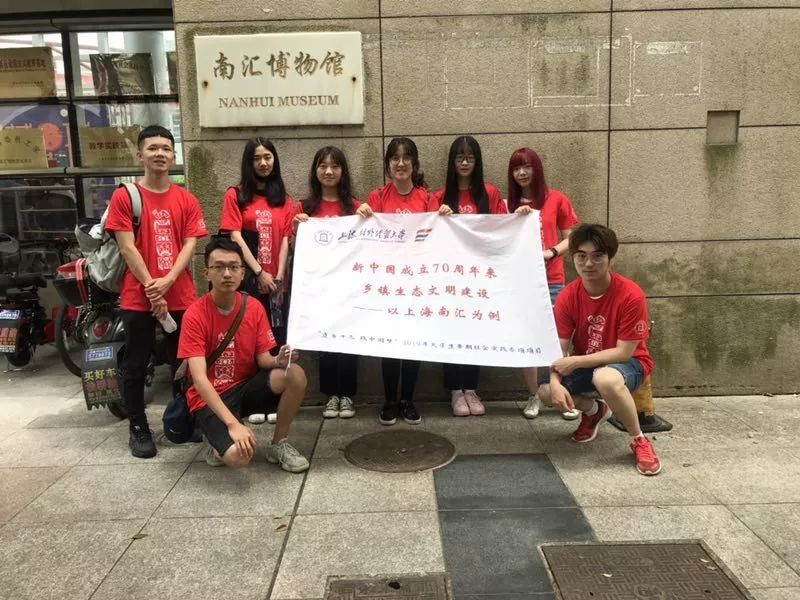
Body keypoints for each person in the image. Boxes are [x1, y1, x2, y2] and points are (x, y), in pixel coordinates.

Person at [105, 125, 207, 459]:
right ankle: (138, 428)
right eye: (152, 148)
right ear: (140, 155)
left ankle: (181, 420)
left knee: (184, 363)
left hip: (180, 296)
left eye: (165, 148)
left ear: (174, 155)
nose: (159, 153)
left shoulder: (186, 199)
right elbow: (127, 247)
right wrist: (153, 287)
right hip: (138, 298)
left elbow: (190, 244)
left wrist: (169, 280)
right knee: (136, 363)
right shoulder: (125, 196)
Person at [534, 224, 661, 476]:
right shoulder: (568, 296)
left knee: (605, 378)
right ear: (573, 258)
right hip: (586, 363)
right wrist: (555, 381)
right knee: (545, 391)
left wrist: (575, 362)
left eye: (597, 256)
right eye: (581, 256)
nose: (588, 263)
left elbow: (623, 353)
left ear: (610, 257)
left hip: (630, 364)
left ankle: (639, 440)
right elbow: (559, 347)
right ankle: (595, 411)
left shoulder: (631, 294)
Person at [177, 236, 309, 472]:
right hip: (209, 396)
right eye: (219, 267)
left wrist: (278, 360)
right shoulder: (194, 315)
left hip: (244, 388)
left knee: (294, 373)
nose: (227, 274)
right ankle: (216, 439)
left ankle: (279, 444)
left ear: (242, 273)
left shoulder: (253, 307)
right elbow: (199, 379)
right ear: (207, 273)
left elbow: (263, 359)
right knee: (239, 457)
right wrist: (232, 424)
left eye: (233, 267)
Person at [357, 137, 437, 426]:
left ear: (414, 164)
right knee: (389, 343)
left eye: (406, 158)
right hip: (387, 283)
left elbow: (438, 237)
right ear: (388, 164)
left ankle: (408, 400)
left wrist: (445, 217)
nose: (401, 164)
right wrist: (361, 217)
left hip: (417, 283)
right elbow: (366, 238)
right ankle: (390, 400)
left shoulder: (427, 199)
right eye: (395, 158)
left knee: (413, 342)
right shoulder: (377, 197)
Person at [432, 135, 508, 417]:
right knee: (452, 331)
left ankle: (471, 388)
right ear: (452, 162)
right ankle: (455, 389)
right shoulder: (439, 197)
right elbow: (427, 235)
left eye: (470, 158)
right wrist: (438, 218)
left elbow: (504, 228)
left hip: (480, 278)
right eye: (459, 158)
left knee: (476, 330)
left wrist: (521, 217)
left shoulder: (490, 194)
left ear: (477, 162)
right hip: (450, 279)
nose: (464, 163)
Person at [507, 147, 580, 421]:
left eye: (527, 166)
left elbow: (572, 238)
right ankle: (535, 394)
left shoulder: (557, 199)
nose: (522, 173)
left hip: (553, 280)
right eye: (516, 168)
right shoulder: (507, 205)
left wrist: (550, 252)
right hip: (520, 283)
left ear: (537, 168)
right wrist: (516, 217)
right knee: (527, 340)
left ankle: (561, 393)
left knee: (558, 340)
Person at [293, 146, 362, 419]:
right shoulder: (305, 208)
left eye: (335, 166)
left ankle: (348, 395)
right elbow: (296, 249)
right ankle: (331, 395)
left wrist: (368, 218)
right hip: (319, 287)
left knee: (349, 340)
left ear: (343, 171)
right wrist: (298, 228)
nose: (329, 171)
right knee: (326, 340)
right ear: (315, 171)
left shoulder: (354, 207)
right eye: (323, 166)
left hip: (348, 286)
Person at [219, 137, 295, 347]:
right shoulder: (236, 195)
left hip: (277, 286)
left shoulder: (285, 199)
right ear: (249, 163)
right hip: (249, 282)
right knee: (249, 342)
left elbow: (285, 240)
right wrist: (260, 272)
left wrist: (279, 278)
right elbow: (235, 236)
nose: (263, 163)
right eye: (257, 158)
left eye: (267, 157)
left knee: (278, 342)